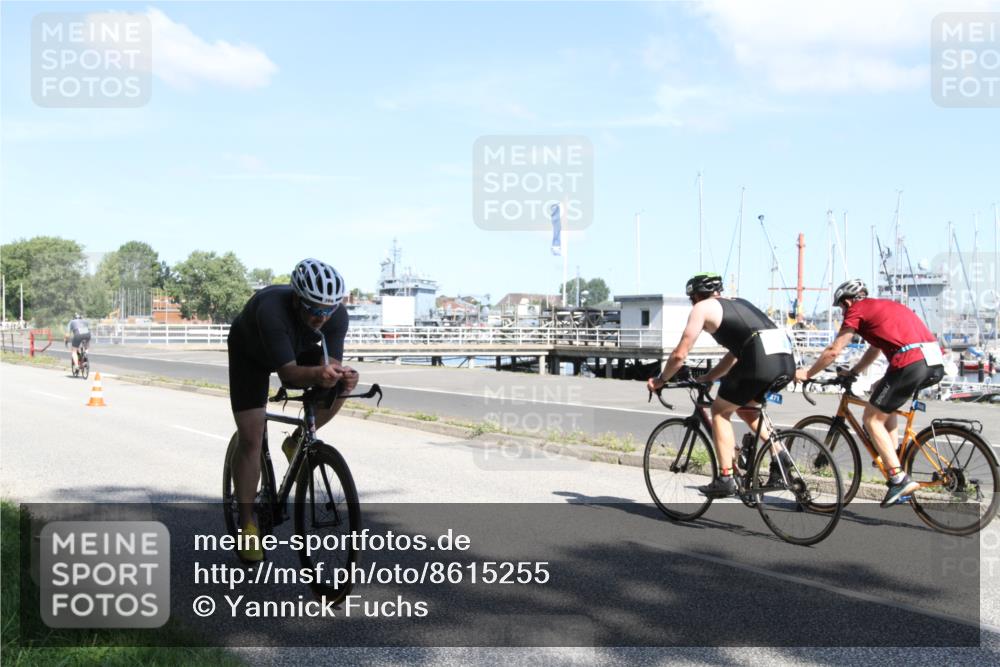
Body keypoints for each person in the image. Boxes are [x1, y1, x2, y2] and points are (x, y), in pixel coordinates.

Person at [227, 258, 358, 561]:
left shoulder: (335, 316)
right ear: (297, 299)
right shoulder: (271, 308)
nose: (321, 317)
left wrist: (343, 377)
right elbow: (288, 375)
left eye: (328, 309)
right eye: (314, 308)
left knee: (339, 384)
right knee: (251, 436)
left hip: (298, 347)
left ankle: (297, 440)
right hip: (252, 353)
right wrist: (318, 374)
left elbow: (330, 365)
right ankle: (247, 523)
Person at [795, 278, 945, 507]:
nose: (843, 312)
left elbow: (833, 351)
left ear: (847, 301)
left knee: (871, 418)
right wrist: (854, 371)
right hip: (933, 361)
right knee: (880, 393)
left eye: (841, 307)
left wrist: (808, 373)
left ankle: (897, 477)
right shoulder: (883, 307)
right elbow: (874, 350)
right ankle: (893, 453)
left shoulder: (856, 310)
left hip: (910, 363)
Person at [647, 273, 796, 497]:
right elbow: (737, 352)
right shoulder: (740, 302)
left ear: (696, 295)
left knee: (719, 411)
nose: (692, 303)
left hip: (760, 361)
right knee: (747, 409)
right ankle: (781, 458)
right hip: (785, 361)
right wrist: (709, 376)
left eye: (691, 299)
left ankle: (725, 478)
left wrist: (660, 380)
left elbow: (680, 354)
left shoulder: (702, 308)